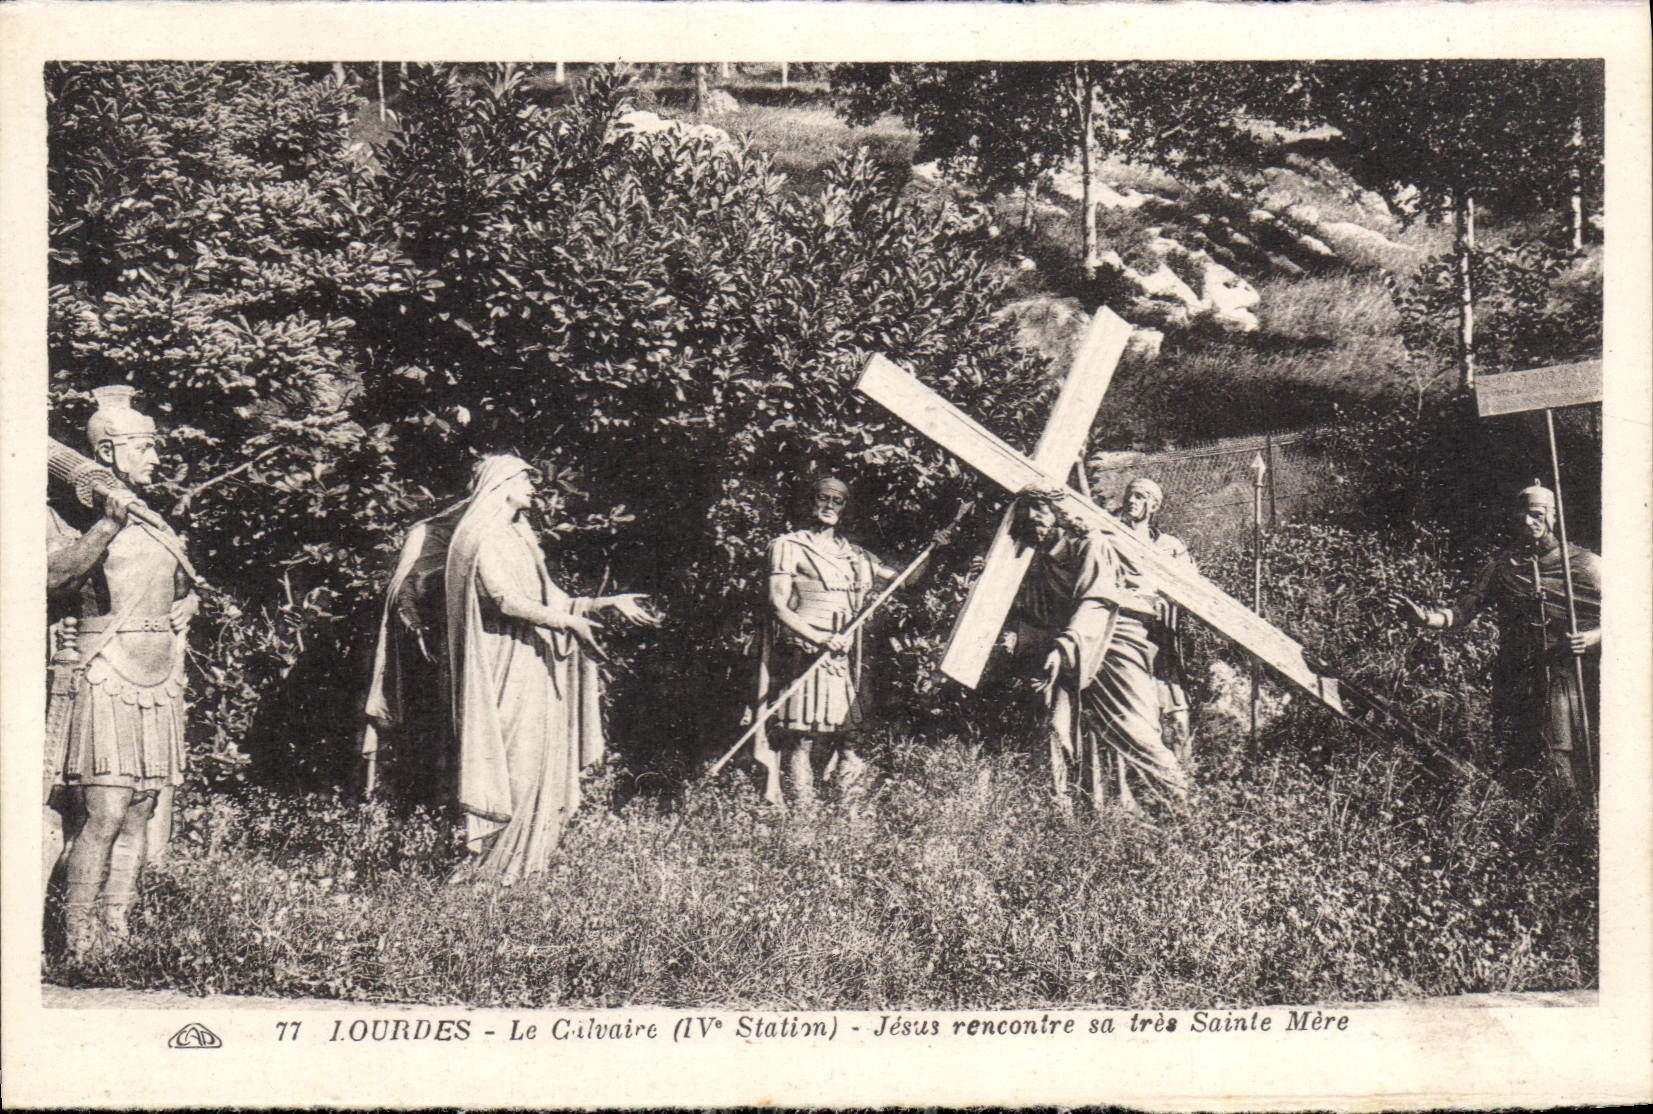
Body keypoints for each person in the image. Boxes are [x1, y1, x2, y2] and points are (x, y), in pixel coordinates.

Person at [445, 455, 659, 883]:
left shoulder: (520, 535)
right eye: (525, 479)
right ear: (500, 483)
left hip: (535, 658)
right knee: (514, 759)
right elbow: (504, 599)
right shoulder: (481, 534)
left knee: (538, 754)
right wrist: (569, 623)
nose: (533, 486)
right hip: (502, 661)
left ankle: (527, 864)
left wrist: (604, 604)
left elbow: (552, 600)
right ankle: (492, 868)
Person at [47, 386, 198, 959]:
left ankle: (117, 935)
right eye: (145, 448)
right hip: (105, 669)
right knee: (105, 810)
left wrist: (190, 605)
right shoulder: (66, 514)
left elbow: (179, 585)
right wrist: (105, 526)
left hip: (158, 677)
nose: (156, 459)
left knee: (142, 809)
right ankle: (76, 941)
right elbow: (54, 579)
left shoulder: (155, 519)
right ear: (108, 453)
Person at [1390, 482, 1601, 804]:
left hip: (1563, 675)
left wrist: (1592, 636)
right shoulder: (1502, 567)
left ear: (1554, 517)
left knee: (1561, 756)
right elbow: (1464, 610)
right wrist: (1425, 619)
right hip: (1514, 674)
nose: (1528, 523)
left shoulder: (1584, 565)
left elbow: (1632, 615)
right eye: (1521, 517)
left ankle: (1572, 830)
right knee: (1514, 757)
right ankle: (1515, 828)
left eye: (1536, 515)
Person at [1002, 487, 1189, 811]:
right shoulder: (1041, 561)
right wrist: (1022, 638)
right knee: (1064, 727)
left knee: (1137, 729)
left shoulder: (1091, 543)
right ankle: (1084, 816)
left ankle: (1182, 805)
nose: (1033, 519)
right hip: (1074, 647)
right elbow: (1041, 613)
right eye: (1027, 512)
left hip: (1114, 639)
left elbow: (1097, 601)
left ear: (1059, 513)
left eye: (1040, 509)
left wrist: (1063, 647)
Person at [757, 476, 906, 811]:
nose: (829, 505)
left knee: (851, 738)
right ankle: (803, 817)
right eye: (822, 498)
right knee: (802, 738)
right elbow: (777, 604)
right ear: (809, 502)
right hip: (807, 652)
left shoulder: (854, 555)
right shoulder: (789, 546)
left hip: (846, 658)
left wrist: (938, 547)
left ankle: (851, 815)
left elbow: (903, 578)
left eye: (837, 500)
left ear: (845, 507)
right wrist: (820, 638)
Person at [361, 460, 486, 804]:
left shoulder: (495, 530)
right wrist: (418, 628)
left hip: (473, 648)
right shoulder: (431, 532)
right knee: (427, 734)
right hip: (428, 648)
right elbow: (404, 587)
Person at [1117, 477, 1196, 766]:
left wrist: (1166, 598)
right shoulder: (1114, 539)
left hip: (1162, 640)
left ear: (1154, 505)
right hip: (1127, 641)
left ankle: (1185, 782)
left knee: (1178, 719)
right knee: (1138, 719)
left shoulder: (1171, 547)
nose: (1131, 501)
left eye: (1139, 496)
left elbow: (1192, 589)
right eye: (1130, 495)